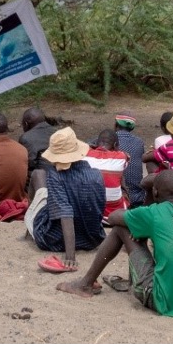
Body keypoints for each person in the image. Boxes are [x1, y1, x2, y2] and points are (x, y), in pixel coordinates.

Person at [54, 170, 173, 318]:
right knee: (139, 229)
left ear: (155, 192)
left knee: (120, 229)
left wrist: (138, 225)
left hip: (164, 301)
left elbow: (113, 217)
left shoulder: (155, 213)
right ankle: (128, 281)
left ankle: (85, 284)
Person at [27, 127, 106, 270]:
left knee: (37, 175)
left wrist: (70, 256)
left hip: (55, 241)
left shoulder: (56, 177)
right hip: (92, 239)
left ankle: (29, 230)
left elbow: (65, 213)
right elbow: (97, 208)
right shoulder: (97, 174)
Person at [84, 130, 129, 219]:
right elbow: (127, 158)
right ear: (116, 145)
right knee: (120, 178)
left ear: (96, 143)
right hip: (113, 214)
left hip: (90, 212)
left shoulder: (86, 154)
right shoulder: (122, 156)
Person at [113, 113, 148, 207]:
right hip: (137, 197)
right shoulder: (139, 142)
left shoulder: (109, 140)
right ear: (132, 128)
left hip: (117, 197)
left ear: (115, 125)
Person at [20, 107, 56, 173]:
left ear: (26, 124)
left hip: (45, 176)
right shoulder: (57, 131)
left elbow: (30, 163)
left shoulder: (26, 138)